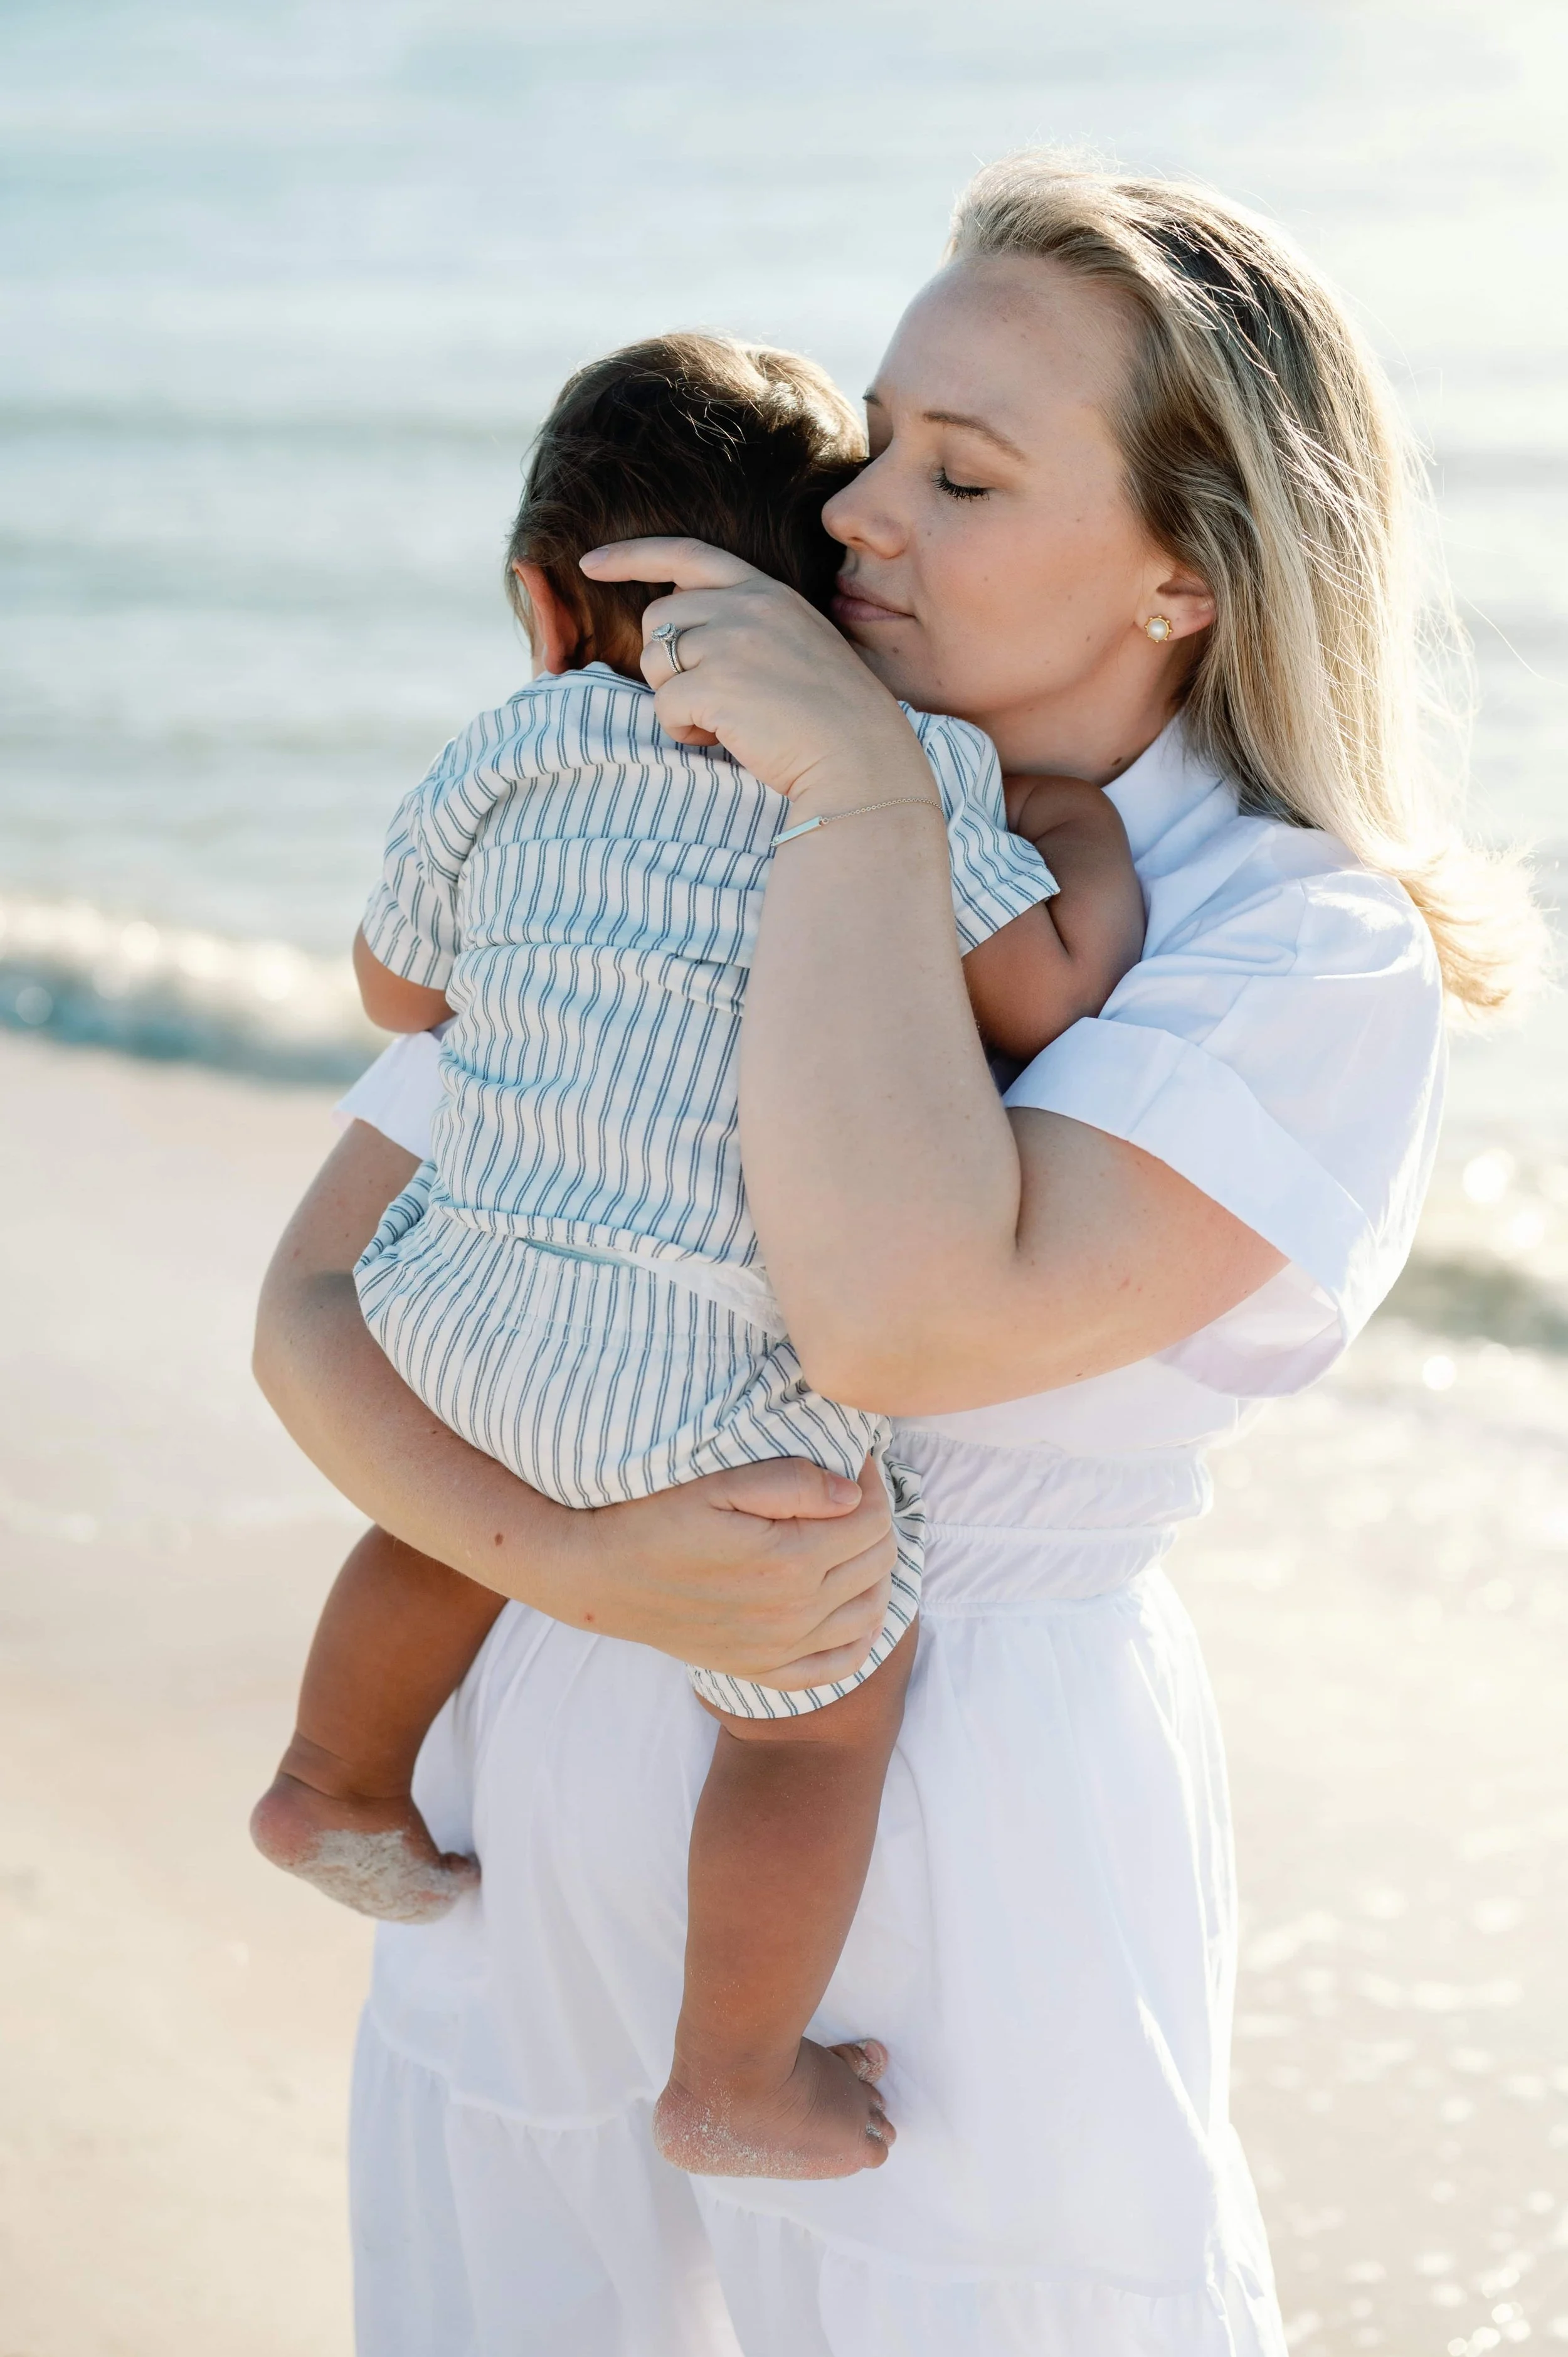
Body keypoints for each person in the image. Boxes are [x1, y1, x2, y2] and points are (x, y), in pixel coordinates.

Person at [253, 155, 1537, 2354]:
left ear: (1184, 578)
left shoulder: (1292, 950)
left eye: (960, 476)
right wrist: (573, 1569)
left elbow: (900, 1320)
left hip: (966, 1792)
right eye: (870, 445)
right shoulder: (673, 780)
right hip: (531, 1700)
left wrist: (867, 805)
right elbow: (310, 1308)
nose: (851, 515)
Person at [250, 329, 1146, 2181]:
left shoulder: (508, 750)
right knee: (818, 1723)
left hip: (456, 1295)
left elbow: (394, 988)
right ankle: (733, 2071)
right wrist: (1069, 834)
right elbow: (1044, 988)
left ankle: (332, 1778)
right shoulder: (887, 772)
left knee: (438, 1518)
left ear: (532, 598)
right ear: (830, 602)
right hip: (698, 1371)